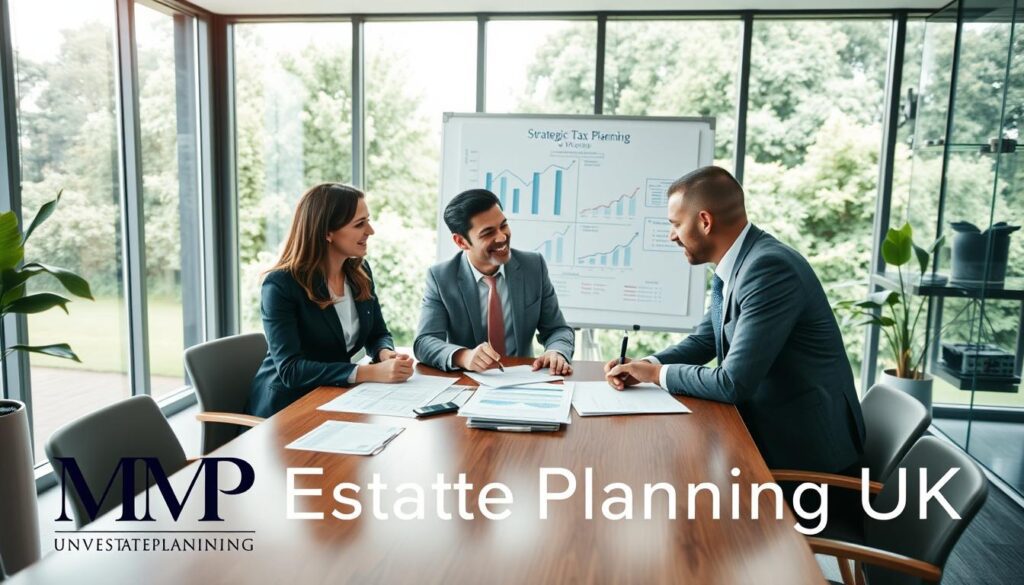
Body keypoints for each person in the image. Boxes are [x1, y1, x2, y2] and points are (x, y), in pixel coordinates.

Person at [605, 166, 865, 473]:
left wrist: (655, 374)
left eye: (675, 224)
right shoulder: (744, 262)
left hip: (807, 460)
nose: (671, 235)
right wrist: (645, 364)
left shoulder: (768, 269)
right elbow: (705, 339)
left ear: (705, 221)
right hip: (767, 435)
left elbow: (732, 383)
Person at [248, 184, 412, 418]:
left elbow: (377, 333)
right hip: (286, 409)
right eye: (359, 224)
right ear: (327, 232)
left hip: (334, 397)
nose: (371, 231)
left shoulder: (359, 272)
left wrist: (385, 353)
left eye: (368, 220)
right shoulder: (280, 285)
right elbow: (291, 370)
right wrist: (369, 372)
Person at [414, 188, 575, 374]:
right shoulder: (441, 277)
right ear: (461, 242)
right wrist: (463, 356)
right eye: (488, 233)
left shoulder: (533, 266)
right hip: (469, 381)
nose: (502, 237)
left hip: (522, 377)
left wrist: (556, 352)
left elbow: (558, 329)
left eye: (503, 225)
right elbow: (424, 342)